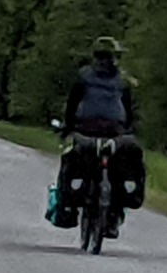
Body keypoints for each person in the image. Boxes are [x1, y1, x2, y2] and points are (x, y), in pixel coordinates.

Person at [51, 39, 146, 228]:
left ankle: (68, 208)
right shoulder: (124, 81)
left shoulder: (83, 77)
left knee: (72, 160)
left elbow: (72, 105)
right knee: (122, 164)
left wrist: (68, 127)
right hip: (115, 134)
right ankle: (115, 213)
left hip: (86, 131)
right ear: (116, 57)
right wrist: (130, 131)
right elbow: (130, 112)